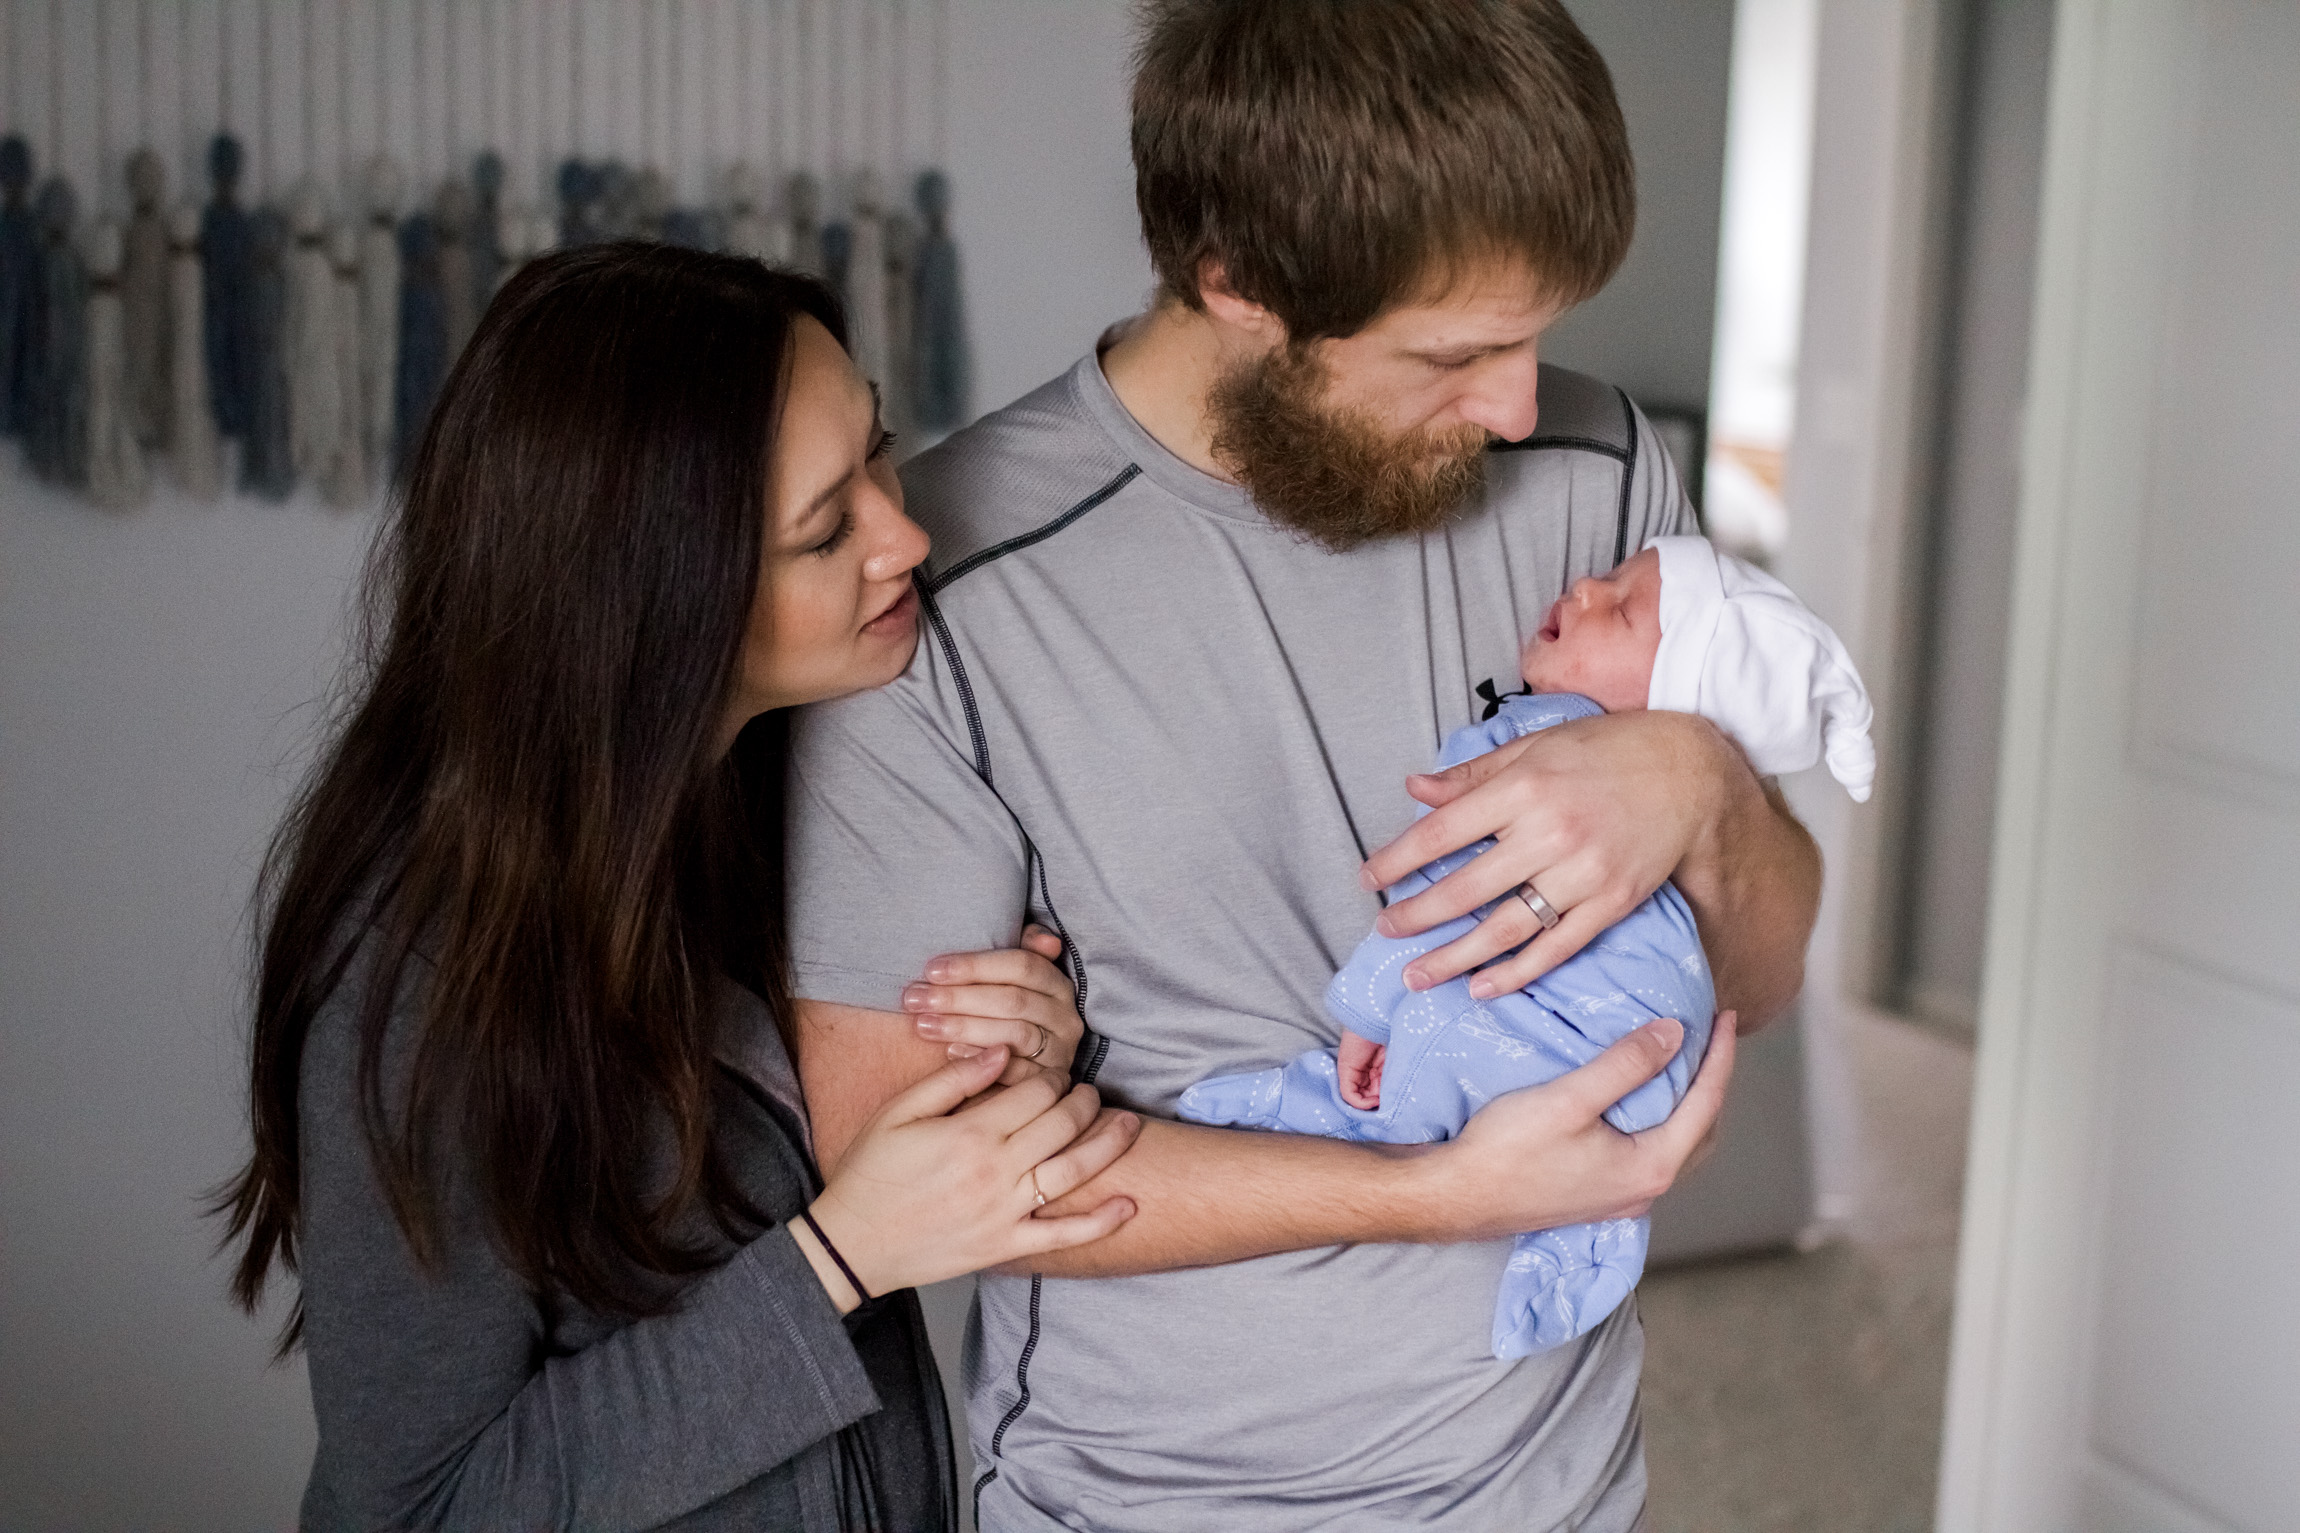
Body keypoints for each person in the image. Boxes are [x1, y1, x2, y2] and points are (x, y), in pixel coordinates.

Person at [784, 2, 1825, 1527]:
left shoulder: (1596, 476)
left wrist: (1700, 788)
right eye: (1459, 352)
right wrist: (1434, 1196)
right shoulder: (934, 591)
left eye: (1538, 334)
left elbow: (1769, 971)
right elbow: (909, 1173)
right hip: (1156, 1498)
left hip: (1563, 1483)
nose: (1522, 406)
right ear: (1242, 285)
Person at [212, 243, 1143, 1531]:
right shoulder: (417, 978)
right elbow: (419, 1510)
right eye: (825, 529)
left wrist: (997, 1068)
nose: (907, 533)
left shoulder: (776, 797)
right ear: (655, 599)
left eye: (879, 448)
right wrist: (842, 1259)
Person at [1180, 536, 1875, 1359]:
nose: (1582, 585)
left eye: (1620, 606)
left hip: (1537, 1039)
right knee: (1594, 1172)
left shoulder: (1535, 745)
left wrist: (1368, 1006)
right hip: (1653, 1068)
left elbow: (1438, 891)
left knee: (1426, 1058)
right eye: (1610, 581)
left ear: (1680, 701)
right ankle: (1582, 1250)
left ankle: (1314, 1110)